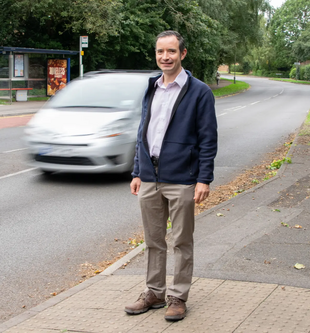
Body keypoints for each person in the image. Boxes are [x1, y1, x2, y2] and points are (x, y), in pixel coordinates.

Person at [124, 30, 217, 321]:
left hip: (182, 178)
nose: (165, 57)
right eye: (160, 52)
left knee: (181, 240)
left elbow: (208, 138)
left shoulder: (199, 91)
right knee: (153, 240)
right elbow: (144, 132)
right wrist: (138, 171)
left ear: (183, 54)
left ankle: (178, 296)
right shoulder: (151, 87)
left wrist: (204, 179)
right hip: (150, 177)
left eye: (172, 51)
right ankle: (154, 292)